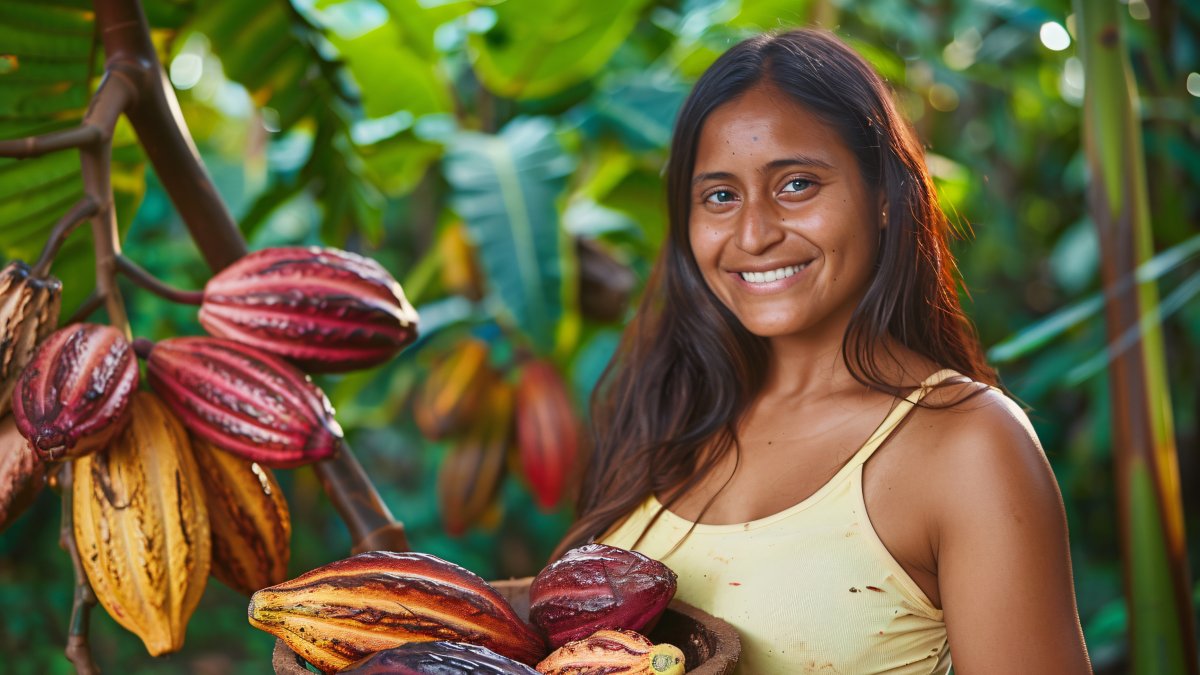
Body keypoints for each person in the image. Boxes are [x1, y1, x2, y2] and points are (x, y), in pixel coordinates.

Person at [555, 29, 1092, 674]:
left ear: (885, 198)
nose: (752, 234)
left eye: (797, 184)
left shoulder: (966, 443)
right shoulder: (671, 410)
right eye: (720, 196)